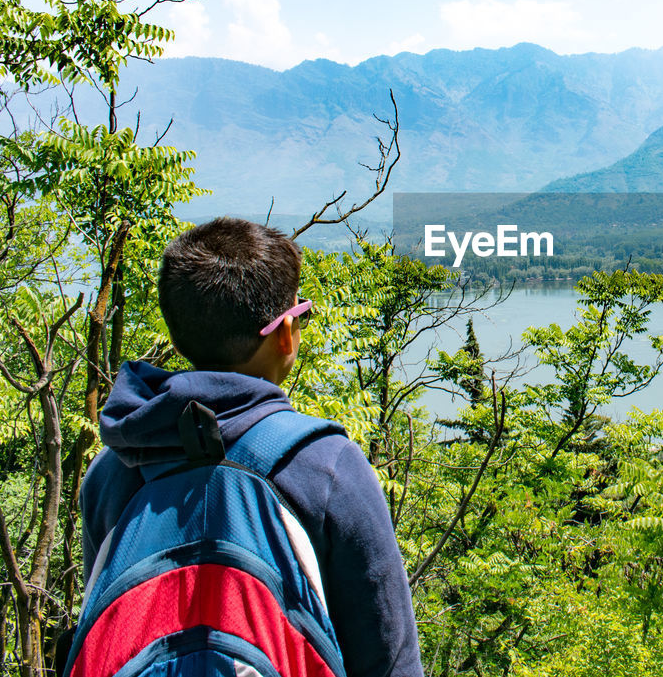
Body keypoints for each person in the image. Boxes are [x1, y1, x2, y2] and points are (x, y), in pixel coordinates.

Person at [79, 217, 424, 677]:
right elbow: (389, 659)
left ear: (179, 335)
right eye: (301, 313)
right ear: (285, 333)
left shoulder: (114, 470)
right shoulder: (325, 468)